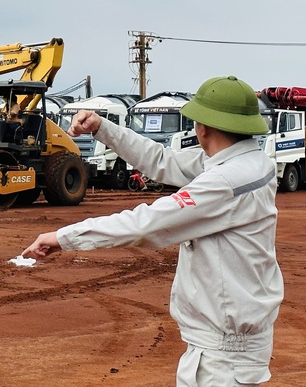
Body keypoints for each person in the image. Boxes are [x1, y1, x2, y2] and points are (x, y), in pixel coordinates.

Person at [22, 76, 283, 386]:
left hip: (223, 356)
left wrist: (63, 237)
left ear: (203, 127)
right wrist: (103, 128)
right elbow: (161, 160)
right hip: (233, 344)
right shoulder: (253, 163)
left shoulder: (225, 182)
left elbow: (147, 224)